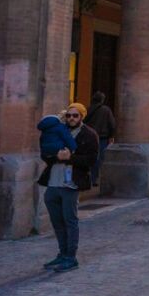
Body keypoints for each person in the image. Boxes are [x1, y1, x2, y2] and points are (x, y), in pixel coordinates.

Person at [37, 102, 98, 273]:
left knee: (70, 221)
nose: (71, 118)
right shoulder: (57, 130)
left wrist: (69, 158)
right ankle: (62, 254)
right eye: (69, 115)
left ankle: (71, 257)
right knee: (57, 222)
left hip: (71, 184)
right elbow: (44, 151)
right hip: (53, 182)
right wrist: (54, 155)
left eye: (75, 115)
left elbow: (91, 160)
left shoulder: (89, 134)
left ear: (81, 117)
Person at [83, 91, 115, 187]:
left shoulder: (88, 109)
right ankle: (94, 178)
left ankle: (89, 177)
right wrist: (111, 136)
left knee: (89, 156)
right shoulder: (106, 110)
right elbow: (112, 124)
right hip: (102, 137)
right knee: (98, 158)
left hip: (89, 137)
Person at [38, 113, 78, 187]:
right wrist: (73, 147)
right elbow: (67, 137)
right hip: (59, 149)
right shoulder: (60, 127)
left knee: (51, 165)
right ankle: (68, 181)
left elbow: (41, 141)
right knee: (68, 164)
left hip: (47, 151)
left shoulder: (45, 130)